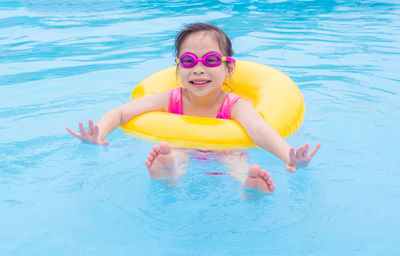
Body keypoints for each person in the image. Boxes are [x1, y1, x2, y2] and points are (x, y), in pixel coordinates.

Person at [67, 23, 321, 194]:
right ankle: (168, 176)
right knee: (173, 151)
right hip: (182, 145)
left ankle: (248, 188)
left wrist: (288, 155)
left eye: (210, 60)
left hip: (227, 149)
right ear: (178, 68)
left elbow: (258, 130)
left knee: (237, 162)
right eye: (188, 61)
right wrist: (99, 133)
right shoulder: (173, 98)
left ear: (229, 68)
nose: (198, 68)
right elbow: (122, 112)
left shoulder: (234, 105)